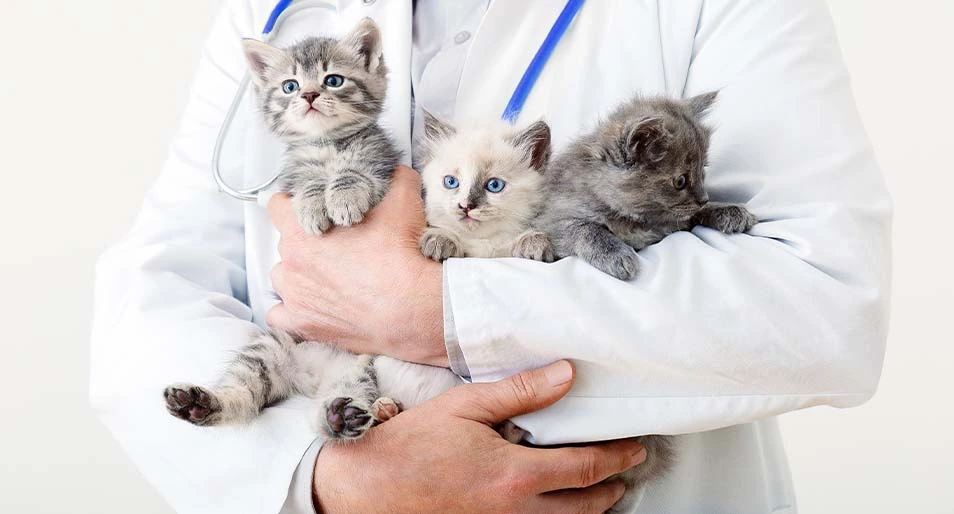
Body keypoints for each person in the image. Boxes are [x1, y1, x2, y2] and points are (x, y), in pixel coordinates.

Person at [89, 1, 892, 513]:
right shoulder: (267, 16)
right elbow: (157, 294)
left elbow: (825, 303)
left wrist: (437, 311)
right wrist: (326, 477)